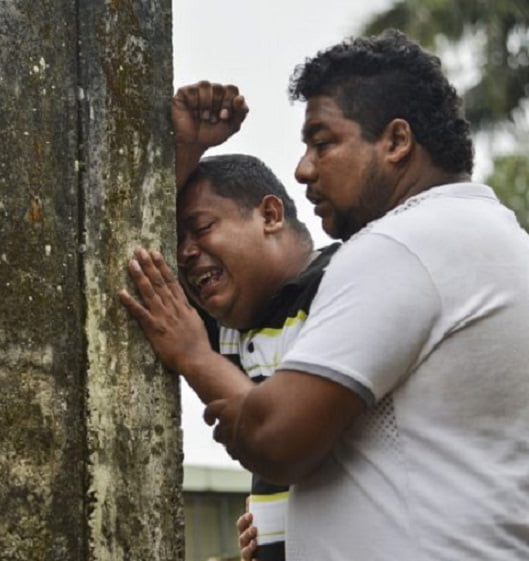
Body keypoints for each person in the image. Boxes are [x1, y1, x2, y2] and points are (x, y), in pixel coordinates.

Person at [197, 30, 529, 560]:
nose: (303, 169)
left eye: (323, 142)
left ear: (396, 142)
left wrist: (189, 351)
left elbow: (275, 441)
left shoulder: (400, 245)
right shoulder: (503, 240)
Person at [119, 81, 339, 561]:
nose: (185, 253)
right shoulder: (233, 323)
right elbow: (131, 243)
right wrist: (187, 145)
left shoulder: (342, 284)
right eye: (178, 240)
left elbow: (288, 436)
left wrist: (193, 357)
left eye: (201, 228)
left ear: (270, 214)